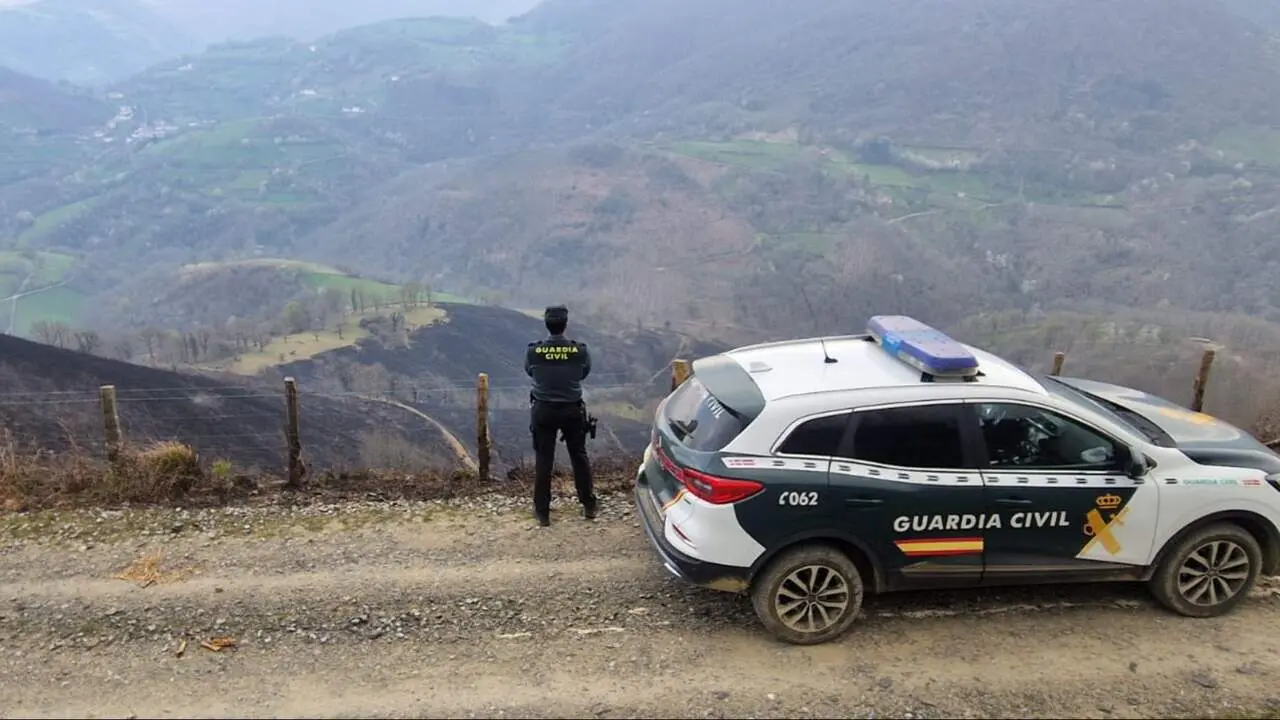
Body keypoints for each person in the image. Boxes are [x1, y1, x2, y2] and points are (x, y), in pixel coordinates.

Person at [525, 304, 597, 526]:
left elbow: (529, 371)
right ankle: (588, 505)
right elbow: (583, 373)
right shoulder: (580, 351)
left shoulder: (534, 351)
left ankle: (542, 512)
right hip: (572, 409)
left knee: (544, 459)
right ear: (565, 324)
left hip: (543, 409)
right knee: (579, 455)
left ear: (546, 324)